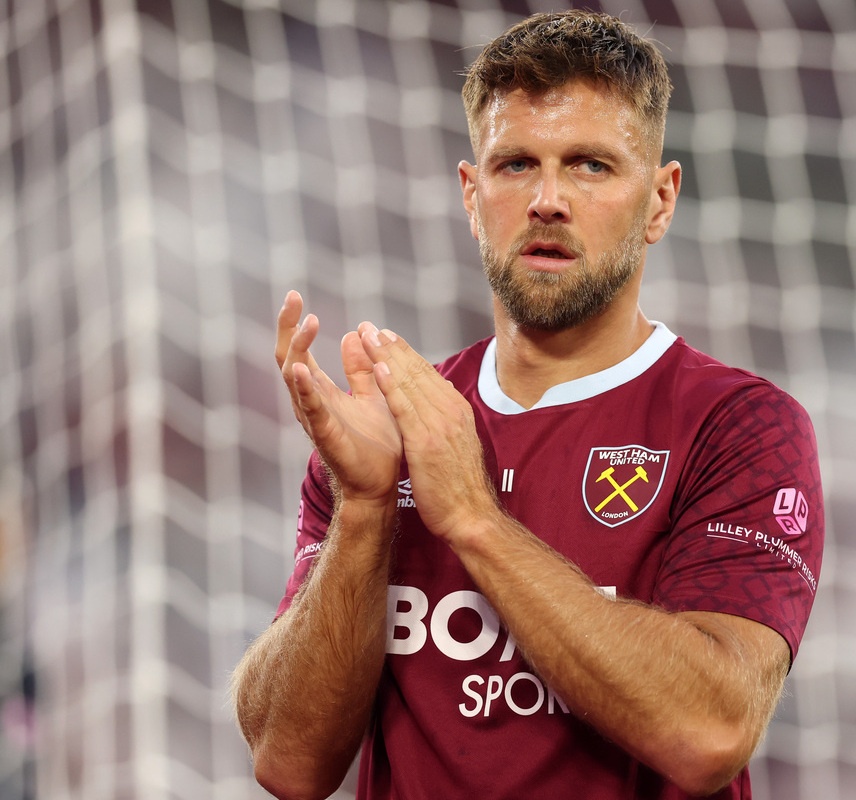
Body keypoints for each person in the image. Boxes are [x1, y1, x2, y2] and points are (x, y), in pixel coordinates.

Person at [230, 10, 823, 800]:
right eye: (515, 165)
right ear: (472, 197)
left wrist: (472, 517)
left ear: (659, 200)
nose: (548, 200)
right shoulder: (388, 427)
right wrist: (365, 509)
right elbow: (289, 763)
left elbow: (710, 733)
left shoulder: (740, 427)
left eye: (590, 166)